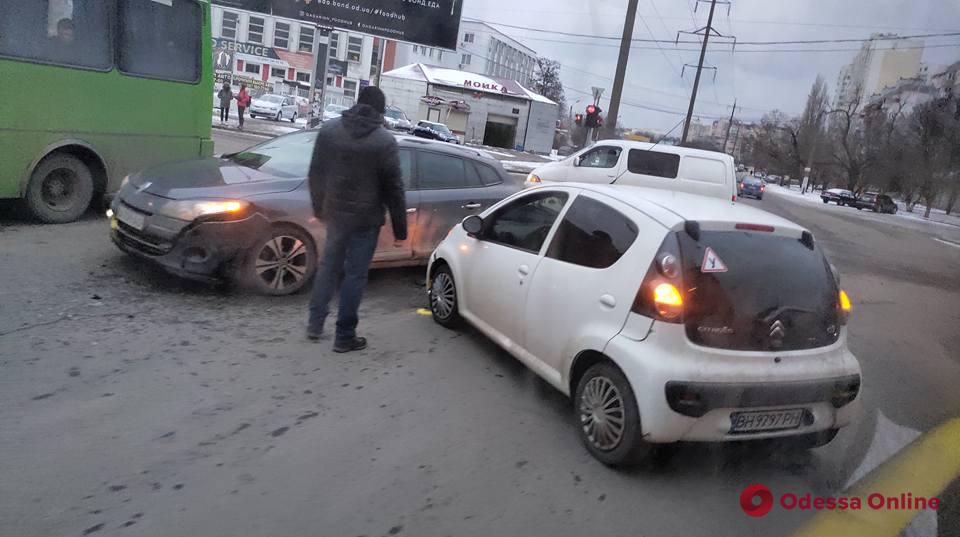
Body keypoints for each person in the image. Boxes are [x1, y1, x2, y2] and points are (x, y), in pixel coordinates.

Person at [306, 87, 406, 352]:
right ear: (381, 112)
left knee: (328, 268)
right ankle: (344, 336)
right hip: (366, 220)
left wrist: (319, 209)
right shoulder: (384, 141)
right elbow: (394, 188)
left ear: (357, 102)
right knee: (355, 276)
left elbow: (315, 173)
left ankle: (315, 324)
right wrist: (400, 229)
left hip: (335, 215)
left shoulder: (329, 131)